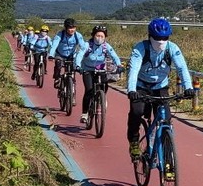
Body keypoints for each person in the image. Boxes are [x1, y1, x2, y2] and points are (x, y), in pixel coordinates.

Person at [125, 17, 195, 158]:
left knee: (166, 119)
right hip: (141, 86)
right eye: (157, 38)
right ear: (150, 36)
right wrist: (131, 90)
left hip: (161, 86)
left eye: (165, 38)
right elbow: (133, 70)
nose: (161, 41)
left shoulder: (172, 48)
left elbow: (182, 68)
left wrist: (189, 87)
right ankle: (133, 141)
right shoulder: (140, 48)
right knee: (136, 112)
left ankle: (167, 156)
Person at [75, 25, 122, 123]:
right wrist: (78, 66)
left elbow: (114, 56)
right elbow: (79, 55)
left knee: (104, 86)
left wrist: (119, 65)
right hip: (87, 69)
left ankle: (101, 98)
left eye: (102, 36)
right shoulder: (87, 45)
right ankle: (85, 113)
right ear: (93, 35)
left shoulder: (106, 46)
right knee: (89, 90)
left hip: (100, 69)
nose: (99, 38)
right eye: (97, 36)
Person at [48, 18, 87, 90]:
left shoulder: (78, 35)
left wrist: (85, 55)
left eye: (74, 28)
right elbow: (54, 45)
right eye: (70, 28)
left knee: (73, 69)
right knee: (58, 63)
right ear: (66, 28)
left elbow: (83, 47)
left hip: (71, 55)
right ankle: (57, 78)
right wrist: (51, 55)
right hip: (60, 55)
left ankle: (71, 83)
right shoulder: (60, 35)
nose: (72, 30)